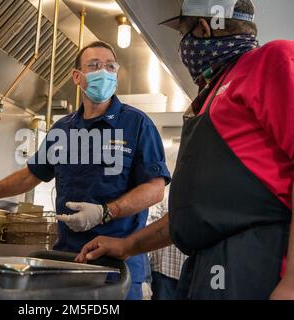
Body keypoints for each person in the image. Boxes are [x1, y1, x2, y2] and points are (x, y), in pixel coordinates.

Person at [76, 0, 294, 300]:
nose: (185, 45)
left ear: (203, 27)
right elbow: (195, 212)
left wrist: (292, 283)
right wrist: (128, 246)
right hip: (206, 266)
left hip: (256, 261)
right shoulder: (210, 95)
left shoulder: (270, 59)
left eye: (185, 33)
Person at [0, 41, 171, 300]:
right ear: (78, 77)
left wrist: (105, 212)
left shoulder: (137, 123)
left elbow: (154, 190)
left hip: (117, 265)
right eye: (94, 66)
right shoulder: (63, 129)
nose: (104, 72)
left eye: (110, 67)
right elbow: (32, 174)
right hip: (66, 261)